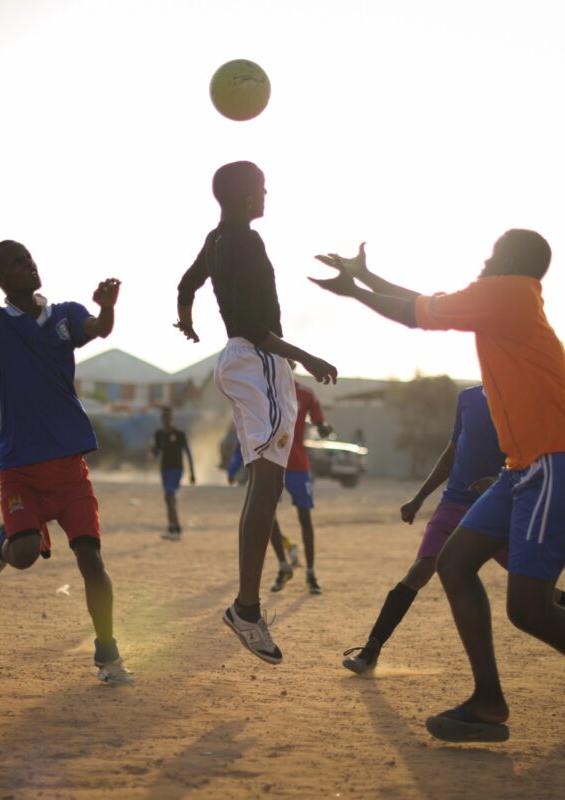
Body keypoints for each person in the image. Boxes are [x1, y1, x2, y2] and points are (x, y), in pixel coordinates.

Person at [312, 234, 565, 752]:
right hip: (523, 469)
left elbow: (417, 314)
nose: (482, 262)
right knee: (455, 563)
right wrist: (366, 278)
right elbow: (429, 303)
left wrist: (356, 291)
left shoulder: (508, 293)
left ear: (507, 262)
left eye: (489, 255)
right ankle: (488, 701)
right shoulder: (505, 300)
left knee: (528, 608)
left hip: (557, 461)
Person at [0, 216, 133, 687]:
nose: (28, 266)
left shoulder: (64, 315)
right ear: (1, 280)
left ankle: (108, 654)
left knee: (92, 561)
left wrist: (108, 308)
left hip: (70, 469)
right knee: (27, 553)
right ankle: (4, 543)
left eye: (29, 257)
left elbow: (99, 328)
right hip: (22, 472)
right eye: (16, 263)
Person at [175, 161, 338, 665]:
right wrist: (305, 357)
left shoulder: (217, 238)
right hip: (258, 360)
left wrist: (187, 322)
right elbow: (249, 320)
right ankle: (246, 608)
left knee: (264, 485)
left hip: (244, 361)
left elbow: (186, 285)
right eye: (263, 189)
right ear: (248, 200)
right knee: (268, 485)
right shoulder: (246, 241)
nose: (267, 195)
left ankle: (248, 606)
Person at [341, 386, 565, 683]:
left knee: (541, 592)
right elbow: (452, 452)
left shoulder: (522, 397)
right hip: (455, 501)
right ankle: (371, 650)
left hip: (499, 506)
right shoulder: (467, 398)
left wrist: (502, 481)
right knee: (420, 571)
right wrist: (419, 498)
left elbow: (533, 455)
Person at [268, 380, 331, 595]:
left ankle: (311, 573)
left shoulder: (305, 393)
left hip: (297, 464)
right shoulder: (266, 388)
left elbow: (319, 421)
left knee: (305, 517)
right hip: (271, 461)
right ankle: (283, 566)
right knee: (266, 515)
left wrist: (323, 427)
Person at [153, 407, 195, 541]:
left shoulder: (180, 434)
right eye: (164, 417)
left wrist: (192, 473)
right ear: (162, 419)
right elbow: (156, 453)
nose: (166, 420)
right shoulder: (158, 434)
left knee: (170, 496)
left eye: (168, 417)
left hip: (176, 469)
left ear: (171, 418)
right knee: (168, 498)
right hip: (164, 469)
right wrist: (151, 450)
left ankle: (174, 528)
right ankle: (174, 527)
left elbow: (188, 453)